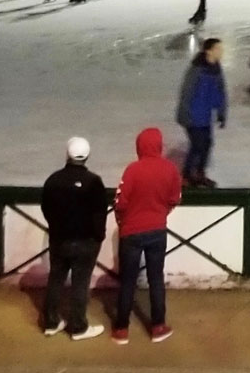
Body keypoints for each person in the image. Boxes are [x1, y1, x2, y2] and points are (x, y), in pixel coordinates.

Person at [111, 127, 181, 344]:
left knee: (128, 281)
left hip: (131, 232)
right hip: (157, 231)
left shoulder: (132, 170)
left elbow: (120, 203)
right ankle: (158, 326)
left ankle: (121, 329)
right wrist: (161, 213)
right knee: (156, 279)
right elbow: (174, 198)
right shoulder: (170, 169)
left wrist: (122, 221)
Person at [40, 136, 111, 340]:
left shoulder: (53, 180)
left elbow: (46, 208)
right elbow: (99, 213)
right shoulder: (94, 182)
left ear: (67, 154)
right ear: (87, 156)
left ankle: (51, 322)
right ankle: (78, 327)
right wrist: (98, 236)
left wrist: (55, 227)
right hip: (86, 242)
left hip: (59, 239)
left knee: (55, 279)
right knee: (80, 283)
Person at [175, 38, 227, 187]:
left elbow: (220, 91)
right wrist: (185, 115)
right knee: (198, 145)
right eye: (218, 48)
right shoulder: (196, 69)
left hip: (206, 115)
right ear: (209, 51)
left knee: (207, 144)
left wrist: (221, 112)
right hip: (193, 114)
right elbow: (186, 93)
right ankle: (188, 174)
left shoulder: (216, 68)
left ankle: (199, 173)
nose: (221, 52)